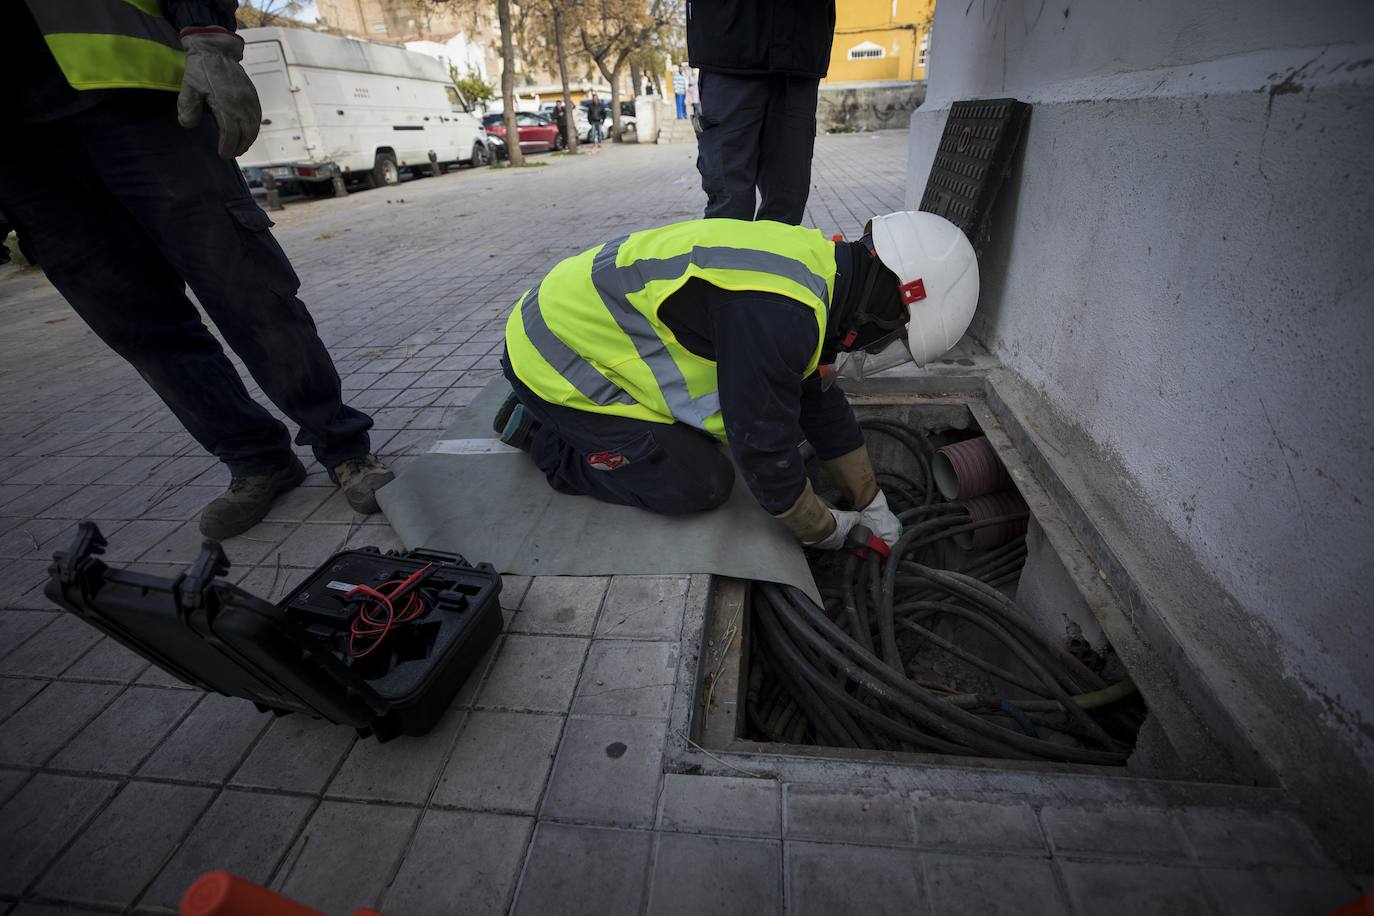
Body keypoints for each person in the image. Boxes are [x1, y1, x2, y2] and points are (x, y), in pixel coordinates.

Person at [0, 0, 394, 539]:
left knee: (246, 289)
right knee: (137, 324)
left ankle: (342, 445)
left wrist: (209, 36)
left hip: (138, 97)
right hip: (19, 151)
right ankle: (257, 459)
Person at [494, 211, 979, 551]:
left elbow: (818, 398)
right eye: (893, 337)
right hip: (553, 355)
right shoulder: (779, 317)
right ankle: (543, 437)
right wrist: (823, 530)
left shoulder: (821, 272)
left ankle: (576, 425)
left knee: (763, 418)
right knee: (700, 482)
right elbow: (764, 454)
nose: (876, 349)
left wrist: (870, 500)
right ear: (896, 298)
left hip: (573, 315)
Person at [688, 2, 836, 225]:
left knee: (787, 202)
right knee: (729, 206)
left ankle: (773, 258)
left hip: (801, 45)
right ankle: (727, 260)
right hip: (728, 42)